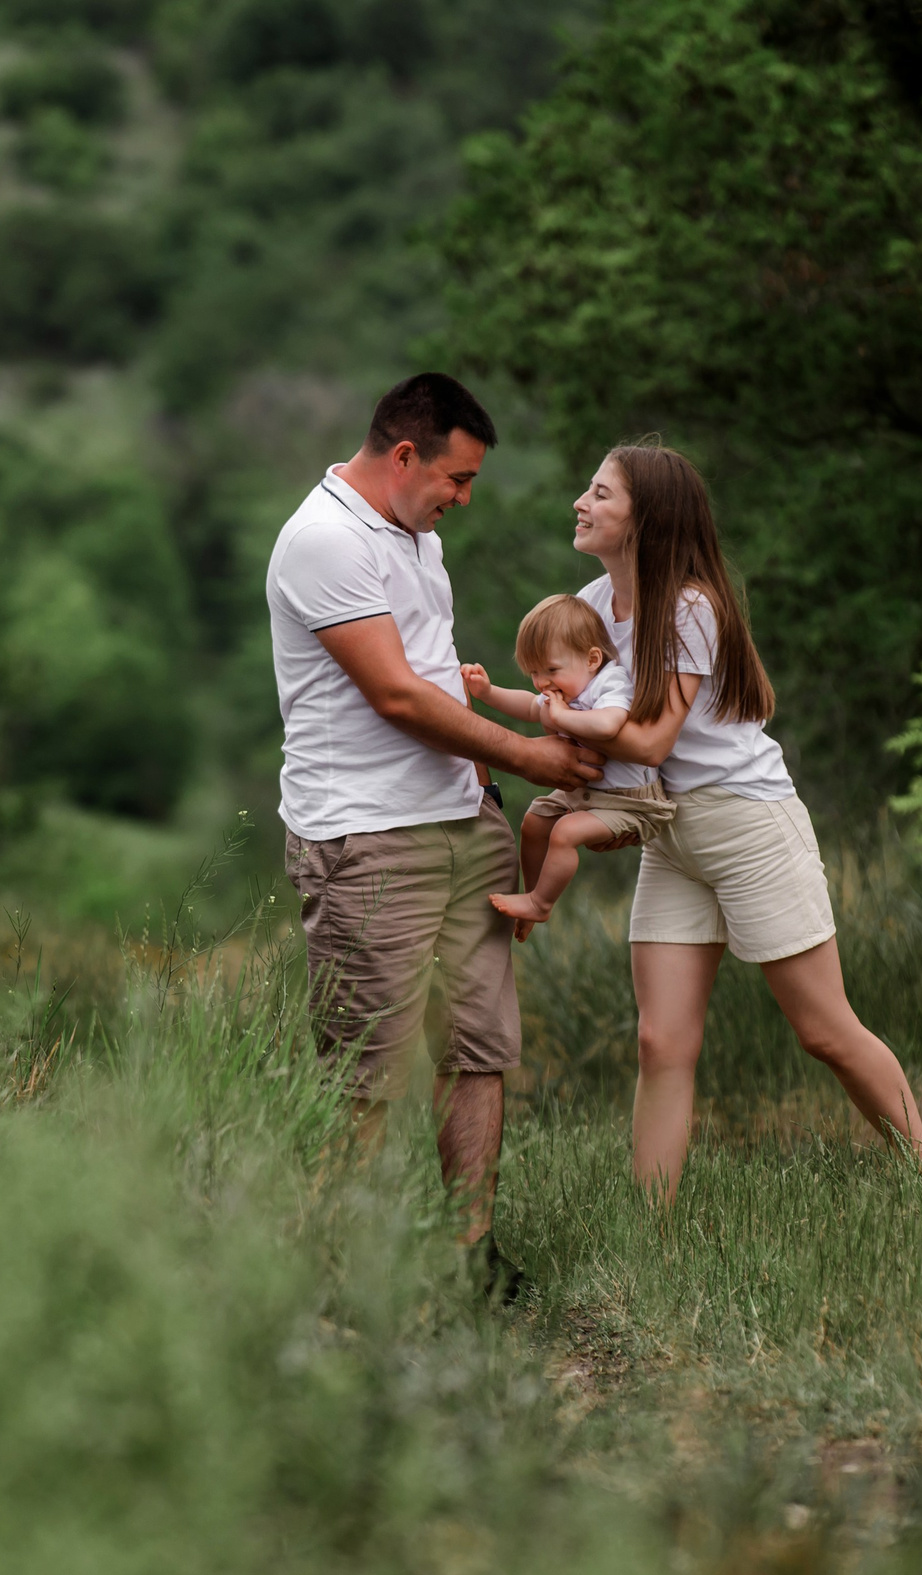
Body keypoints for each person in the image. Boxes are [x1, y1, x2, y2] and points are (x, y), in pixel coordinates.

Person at [266, 373, 602, 1283]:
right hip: (370, 840)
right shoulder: (324, 540)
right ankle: (350, 1270)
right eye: (457, 479)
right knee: (365, 1067)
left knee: (477, 1048)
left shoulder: (417, 541)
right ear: (404, 454)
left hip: (464, 824)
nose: (461, 499)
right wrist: (531, 755)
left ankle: (468, 1256)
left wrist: (491, 785)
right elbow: (395, 693)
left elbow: (441, 679)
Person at [562, 443, 922, 1199]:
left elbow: (651, 739)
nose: (581, 502)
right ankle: (647, 1234)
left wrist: (541, 728)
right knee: (660, 1040)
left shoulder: (692, 606)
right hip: (670, 831)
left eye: (600, 493)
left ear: (644, 519)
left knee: (823, 1029)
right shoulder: (592, 607)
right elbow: (583, 719)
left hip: (748, 823)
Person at [458, 593, 674, 937]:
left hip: (632, 801)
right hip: (586, 794)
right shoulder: (564, 690)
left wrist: (562, 716)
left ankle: (542, 904)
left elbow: (608, 725)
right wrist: (488, 692)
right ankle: (533, 893)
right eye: (534, 672)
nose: (543, 683)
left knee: (565, 833)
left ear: (591, 659)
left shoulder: (609, 682)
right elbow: (531, 706)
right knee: (534, 822)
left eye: (552, 670)